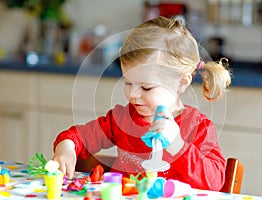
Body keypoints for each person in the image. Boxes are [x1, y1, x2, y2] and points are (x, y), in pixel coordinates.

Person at [52, 16, 231, 191]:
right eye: (128, 82)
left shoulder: (198, 127)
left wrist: (177, 144)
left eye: (146, 88)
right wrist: (67, 147)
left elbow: (214, 182)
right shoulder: (122, 119)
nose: (133, 94)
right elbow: (79, 136)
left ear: (182, 83)